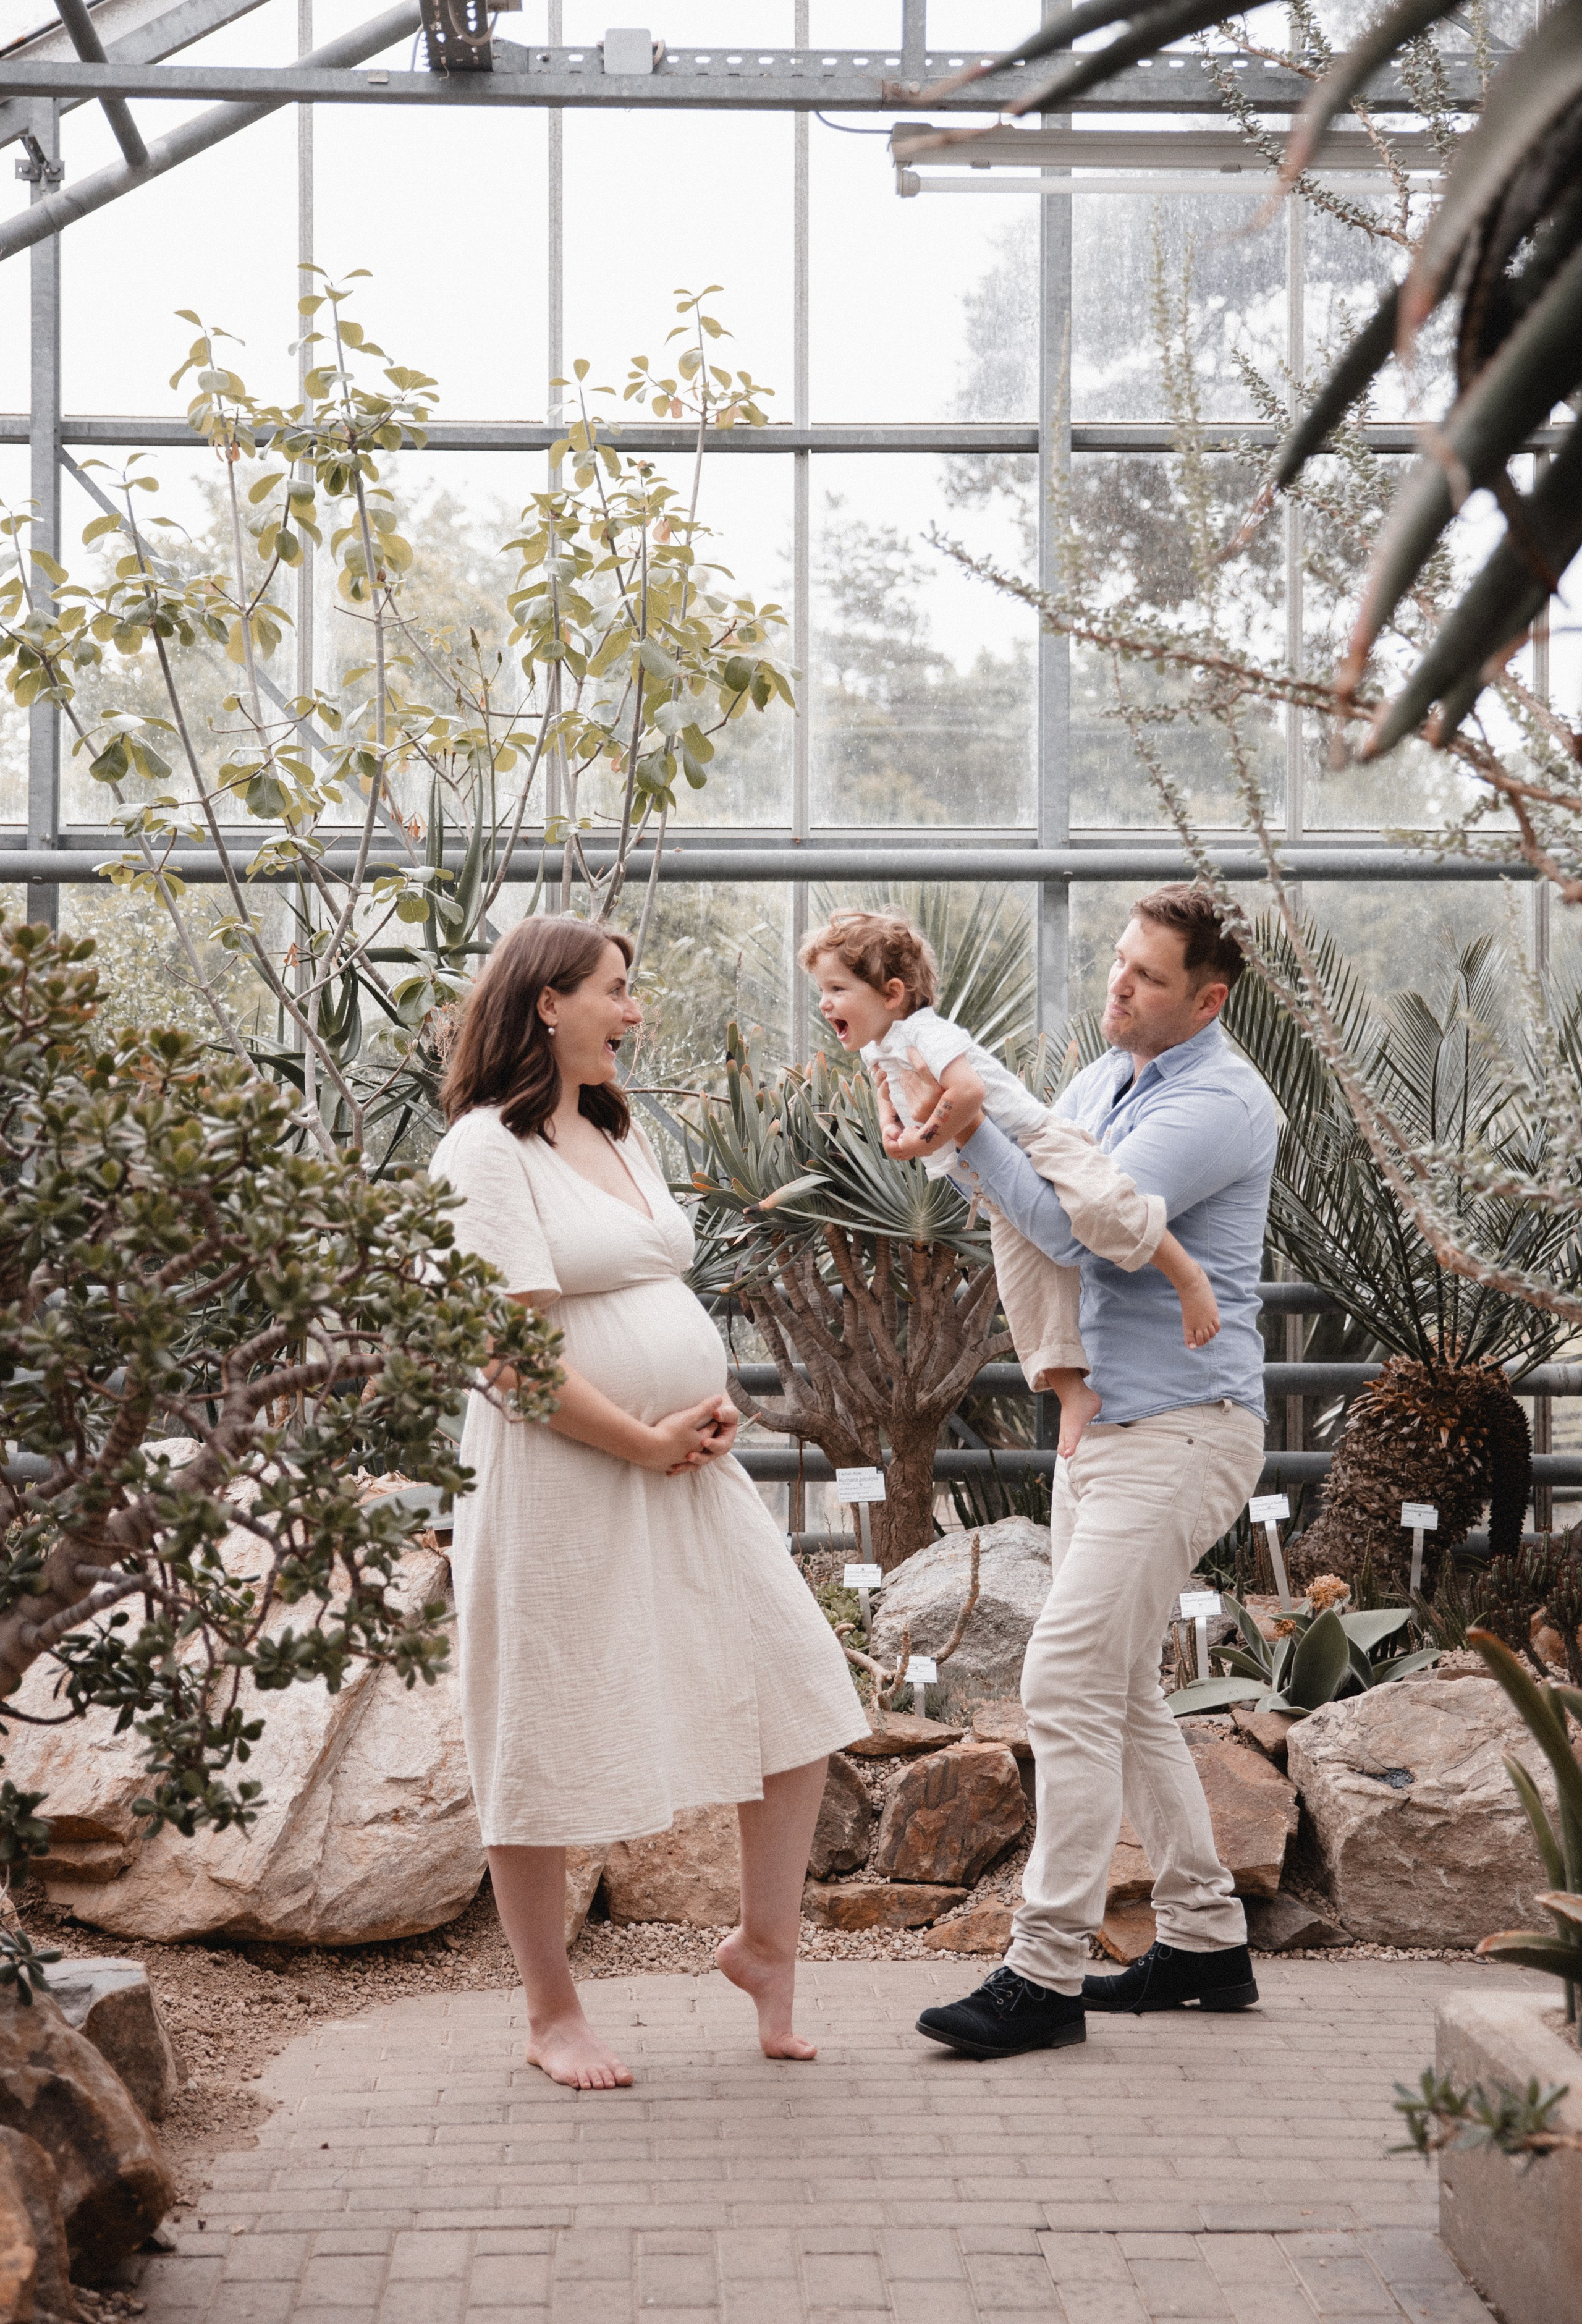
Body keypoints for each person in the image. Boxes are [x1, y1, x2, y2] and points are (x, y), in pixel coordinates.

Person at [430, 915, 867, 2090]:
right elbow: (504, 1350)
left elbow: (649, 1290)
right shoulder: (485, 1150)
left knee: (797, 1686)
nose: (634, 1012)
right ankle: (550, 2012)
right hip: (562, 1474)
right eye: (617, 992)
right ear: (545, 1004)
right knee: (542, 1723)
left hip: (682, 1464)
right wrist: (639, 1437)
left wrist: (707, 1402)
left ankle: (765, 1947)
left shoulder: (616, 1129)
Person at [876, 886, 1277, 2061]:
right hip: (1103, 1431)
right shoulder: (1106, 1080)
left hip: (1185, 1426)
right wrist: (954, 1131)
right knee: (1124, 1688)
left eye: (1148, 978)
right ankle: (1205, 1941)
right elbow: (1017, 1186)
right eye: (1118, 963)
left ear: (1206, 1000)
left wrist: (967, 1126)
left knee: (1062, 1677)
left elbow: (1073, 1231)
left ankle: (1043, 1971)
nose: (1119, 987)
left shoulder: (1218, 1102)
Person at [799, 908, 1220, 1457]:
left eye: (836, 988)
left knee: (1103, 1206)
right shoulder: (881, 1049)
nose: (825, 1002)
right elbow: (889, 1103)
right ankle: (1073, 1392)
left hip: (1034, 1143)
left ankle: (1187, 1277)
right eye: (821, 990)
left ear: (892, 992)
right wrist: (894, 1135)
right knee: (1024, 1283)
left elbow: (968, 1093)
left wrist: (925, 1138)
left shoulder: (925, 1032)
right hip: (987, 1173)